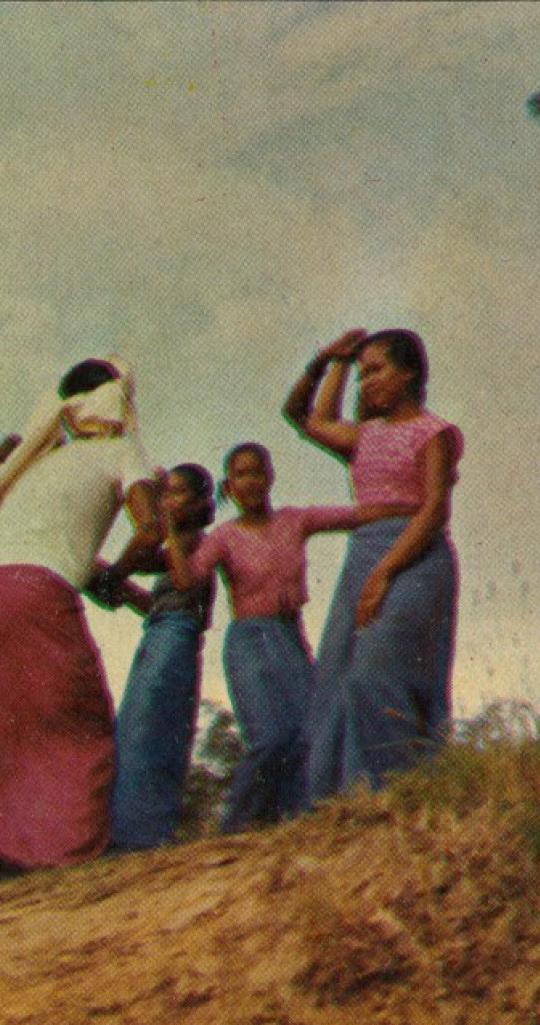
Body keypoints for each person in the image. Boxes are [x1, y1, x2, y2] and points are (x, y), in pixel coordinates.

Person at [0, 356, 161, 885]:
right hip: (39, 597)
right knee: (82, 727)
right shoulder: (123, 451)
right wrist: (121, 575)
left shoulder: (34, 461)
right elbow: (150, 531)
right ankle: (65, 860)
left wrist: (109, 585)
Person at [164, 443, 413, 831]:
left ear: (270, 476)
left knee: (309, 735)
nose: (250, 482)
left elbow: (354, 515)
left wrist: (410, 505)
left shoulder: (295, 520)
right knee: (270, 737)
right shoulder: (224, 536)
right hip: (249, 641)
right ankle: (236, 828)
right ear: (229, 486)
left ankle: (294, 826)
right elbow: (185, 579)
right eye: (240, 475)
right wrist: (167, 530)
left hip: (290, 637)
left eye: (257, 472)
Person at [284, 327, 463, 799]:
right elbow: (303, 415)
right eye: (362, 374)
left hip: (415, 553)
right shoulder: (364, 436)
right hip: (363, 551)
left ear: (407, 374)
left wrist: (384, 572)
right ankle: (339, 798)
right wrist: (332, 360)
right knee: (336, 673)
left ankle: (395, 788)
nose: (366, 383)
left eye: (375, 370)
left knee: (378, 668)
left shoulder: (433, 433)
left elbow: (434, 510)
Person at [107, 463, 217, 851]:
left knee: (153, 719)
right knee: (136, 722)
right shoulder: (176, 547)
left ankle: (141, 832)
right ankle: (124, 829)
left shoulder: (199, 544)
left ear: (201, 501)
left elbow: (183, 594)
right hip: (158, 631)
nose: (168, 501)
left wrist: (159, 525)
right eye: (164, 494)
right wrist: (114, 584)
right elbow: (157, 599)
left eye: (177, 492)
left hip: (176, 634)